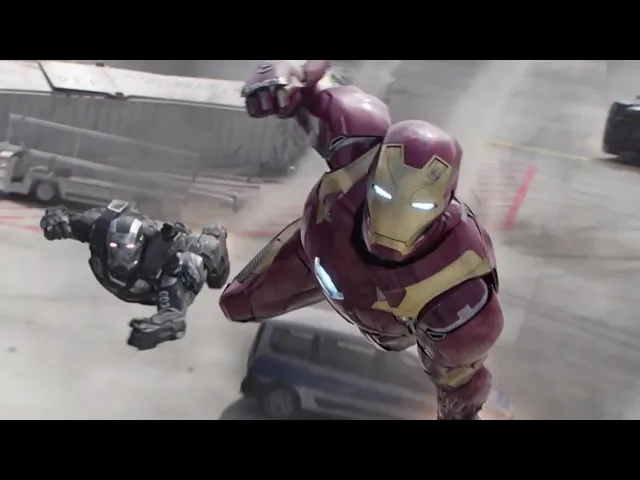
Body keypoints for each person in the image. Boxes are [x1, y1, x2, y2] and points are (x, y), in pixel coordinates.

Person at [219, 60, 505, 420]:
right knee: (237, 303)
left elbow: (459, 382)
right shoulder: (357, 144)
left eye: (419, 205)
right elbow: (308, 84)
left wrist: (461, 404)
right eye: (384, 193)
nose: (395, 219)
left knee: (459, 371)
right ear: (376, 170)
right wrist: (283, 82)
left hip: (350, 286)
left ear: (443, 203)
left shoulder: (459, 283)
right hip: (316, 253)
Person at [40, 199, 230, 350]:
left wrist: (159, 328)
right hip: (131, 283)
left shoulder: (163, 254)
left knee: (196, 256)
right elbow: (60, 217)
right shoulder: (97, 230)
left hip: (153, 288)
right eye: (115, 246)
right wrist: (54, 220)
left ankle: (217, 245)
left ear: (138, 244)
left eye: (128, 247)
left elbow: (175, 318)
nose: (121, 254)